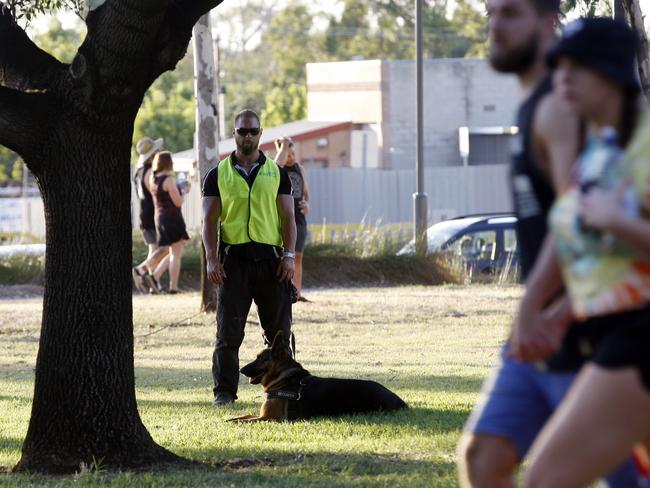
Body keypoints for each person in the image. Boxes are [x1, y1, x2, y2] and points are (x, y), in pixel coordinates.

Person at [456, 1, 640, 487]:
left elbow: (576, 231)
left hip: (594, 330)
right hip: (557, 322)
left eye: (511, 14)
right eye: (490, 14)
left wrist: (541, 307)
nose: (496, 26)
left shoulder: (564, 111)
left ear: (546, 23)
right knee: (485, 458)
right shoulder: (557, 114)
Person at [506, 18, 650, 487]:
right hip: (607, 331)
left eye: (577, 66)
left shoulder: (645, 145)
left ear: (611, 73)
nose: (561, 76)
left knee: (547, 478)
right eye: (558, 65)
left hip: (640, 336)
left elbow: (615, 232)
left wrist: (617, 220)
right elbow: (602, 259)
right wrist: (558, 315)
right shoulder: (600, 150)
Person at [202, 109, 297, 407]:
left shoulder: (276, 172)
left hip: (272, 263)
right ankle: (225, 392)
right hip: (234, 263)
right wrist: (211, 260)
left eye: (252, 131)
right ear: (234, 133)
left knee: (279, 333)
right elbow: (207, 221)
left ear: (260, 133)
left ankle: (287, 387)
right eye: (242, 131)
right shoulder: (218, 173)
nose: (247, 136)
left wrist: (289, 256)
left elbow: (288, 218)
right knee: (228, 333)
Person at [147, 151, 190, 294]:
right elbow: (178, 202)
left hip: (159, 217)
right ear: (168, 163)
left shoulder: (153, 179)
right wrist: (183, 190)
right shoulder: (169, 180)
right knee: (176, 253)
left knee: (173, 252)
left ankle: (155, 276)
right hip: (172, 217)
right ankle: (173, 287)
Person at [274, 136, 310, 301]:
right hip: (283, 219)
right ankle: (284, 292)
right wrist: (283, 147)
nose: (291, 157)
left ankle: (298, 293)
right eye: (288, 153)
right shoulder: (277, 169)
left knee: (298, 257)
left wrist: (307, 205)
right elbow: (277, 165)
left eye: (293, 153)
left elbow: (306, 194)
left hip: (299, 219)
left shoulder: (300, 169)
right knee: (284, 257)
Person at [131, 136, 170, 292]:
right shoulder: (150, 173)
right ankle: (140, 270)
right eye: (157, 151)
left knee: (154, 251)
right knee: (167, 248)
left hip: (144, 215)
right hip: (153, 215)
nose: (160, 152)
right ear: (152, 155)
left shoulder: (138, 172)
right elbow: (156, 194)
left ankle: (154, 283)